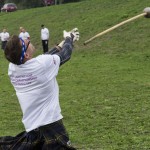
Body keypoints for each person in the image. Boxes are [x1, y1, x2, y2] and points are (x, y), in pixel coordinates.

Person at [0, 28, 79, 149]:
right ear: (26, 54)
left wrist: (61, 43)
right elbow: (65, 55)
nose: (27, 40)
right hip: (52, 124)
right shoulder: (42, 65)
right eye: (24, 42)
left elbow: (44, 57)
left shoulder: (12, 68)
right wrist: (69, 38)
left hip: (32, 127)